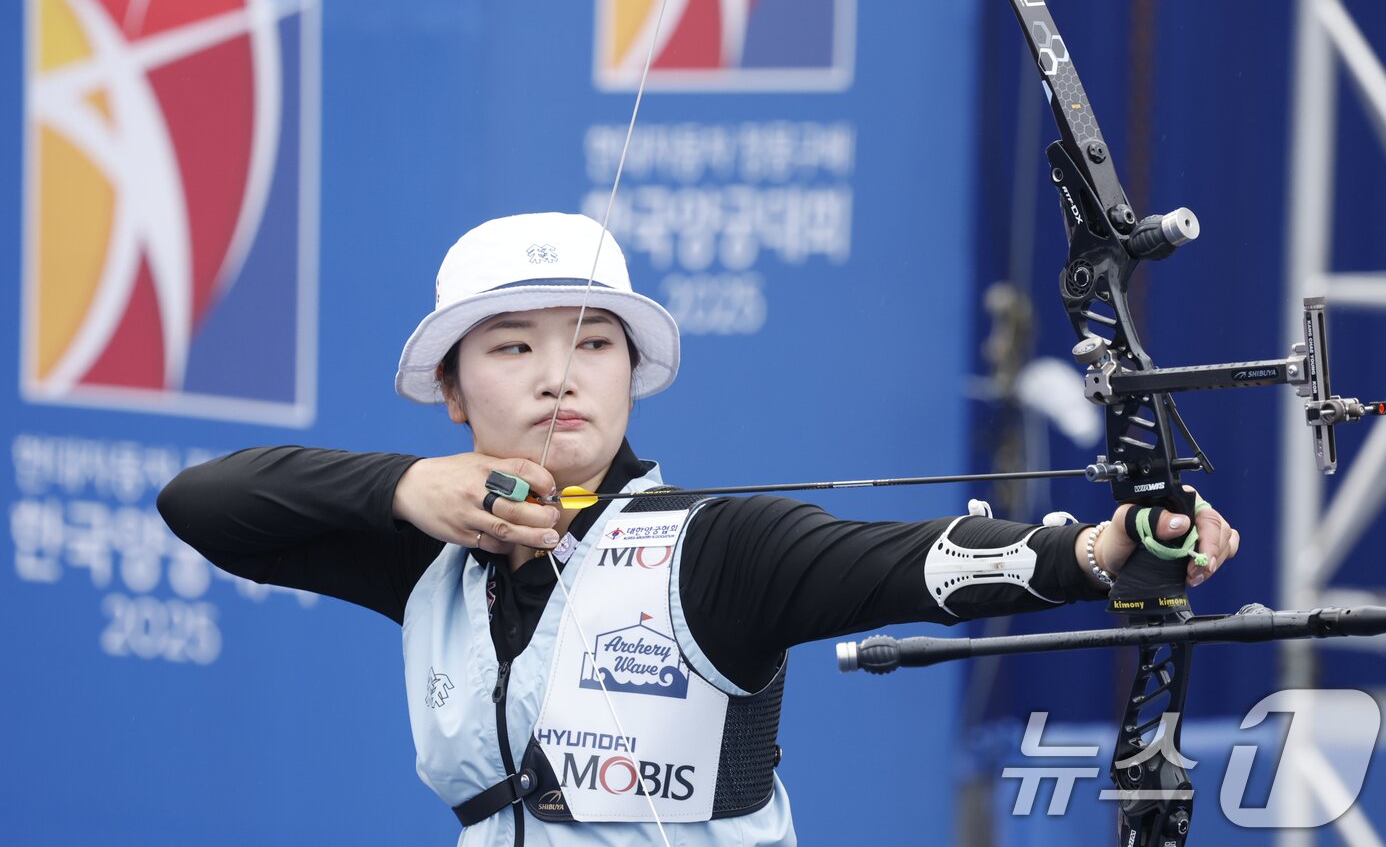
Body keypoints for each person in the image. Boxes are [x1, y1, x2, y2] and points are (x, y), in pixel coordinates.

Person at [158, 212, 1239, 846]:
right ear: (451, 390)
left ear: (632, 374)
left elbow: (905, 562)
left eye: (591, 345)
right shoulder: (431, 553)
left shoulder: (717, 550)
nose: (555, 378)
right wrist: (412, 490)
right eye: (509, 349)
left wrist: (1102, 552)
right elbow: (205, 503)